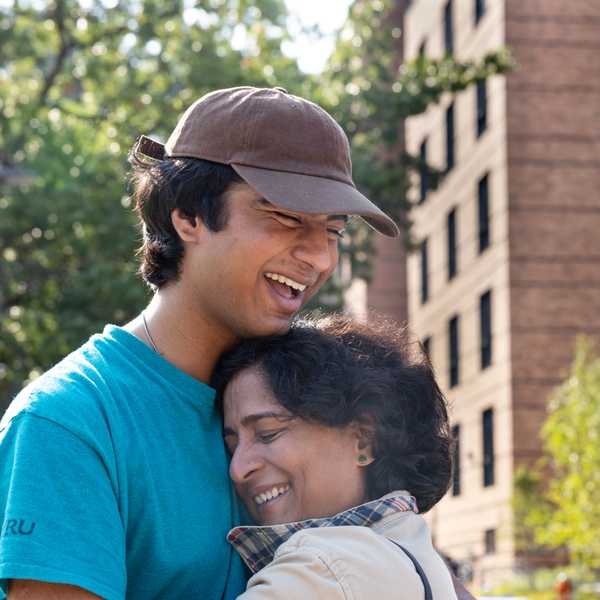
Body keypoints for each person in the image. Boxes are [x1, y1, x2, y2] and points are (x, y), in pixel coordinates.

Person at [0, 86, 398, 599]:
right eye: (286, 217)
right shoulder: (70, 422)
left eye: (334, 231)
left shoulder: (322, 397)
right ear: (186, 216)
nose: (319, 257)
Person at [212, 314, 458, 599]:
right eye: (231, 446)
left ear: (363, 441)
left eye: (268, 433)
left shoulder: (324, 570)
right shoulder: (410, 549)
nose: (237, 469)